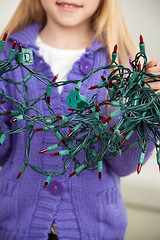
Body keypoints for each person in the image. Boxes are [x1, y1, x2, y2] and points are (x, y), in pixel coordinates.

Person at [0, 0, 159, 239]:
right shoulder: (9, 55)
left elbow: (124, 163)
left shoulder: (120, 62)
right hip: (16, 227)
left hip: (96, 229)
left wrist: (149, 108)